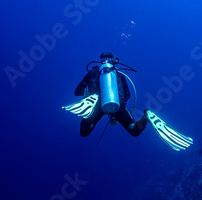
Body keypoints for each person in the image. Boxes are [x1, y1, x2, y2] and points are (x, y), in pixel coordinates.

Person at [63, 52, 194, 151]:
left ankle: (88, 109)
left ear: (101, 61)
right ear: (114, 61)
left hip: (96, 105)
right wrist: (117, 112)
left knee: (85, 132)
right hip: (117, 105)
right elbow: (128, 95)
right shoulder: (119, 75)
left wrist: (88, 94)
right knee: (134, 131)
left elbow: (76, 92)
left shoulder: (93, 72)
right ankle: (146, 116)